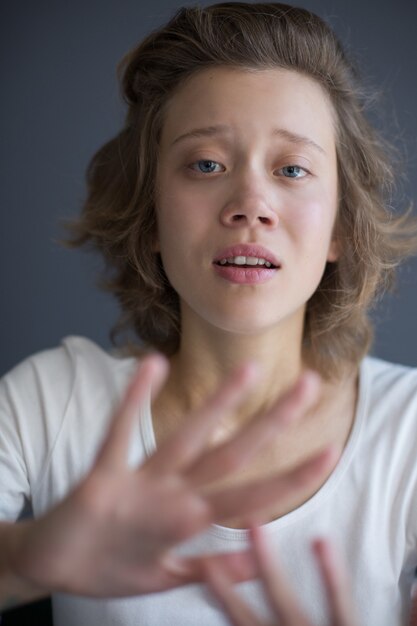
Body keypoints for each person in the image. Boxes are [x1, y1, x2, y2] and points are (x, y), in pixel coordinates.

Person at [1, 2, 417, 624]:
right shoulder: (52, 401)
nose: (251, 204)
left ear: (341, 229)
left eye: (293, 169)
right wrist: (25, 560)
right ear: (152, 219)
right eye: (206, 164)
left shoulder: (409, 430)